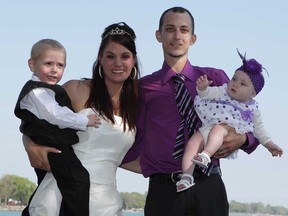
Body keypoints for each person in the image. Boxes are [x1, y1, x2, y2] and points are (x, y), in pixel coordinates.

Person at [122, 6, 260, 216]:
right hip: (164, 191)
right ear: (159, 35)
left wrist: (243, 140)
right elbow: (133, 138)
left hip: (209, 186)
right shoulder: (143, 87)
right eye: (170, 29)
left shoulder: (217, 79)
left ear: (193, 38)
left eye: (184, 30)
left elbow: (251, 122)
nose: (177, 36)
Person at [22, 22, 142, 216]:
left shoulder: (139, 102)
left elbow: (136, 159)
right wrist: (30, 146)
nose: (118, 63)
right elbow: (32, 120)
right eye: (110, 56)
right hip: (61, 195)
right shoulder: (76, 89)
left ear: (134, 60)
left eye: (125, 56)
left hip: (106, 203)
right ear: (100, 59)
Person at [176, 50, 283, 192]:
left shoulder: (252, 108)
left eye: (243, 84)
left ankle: (206, 155)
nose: (235, 84)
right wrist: (202, 88)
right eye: (234, 79)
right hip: (207, 128)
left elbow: (259, 129)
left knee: (218, 129)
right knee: (192, 144)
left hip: (226, 133)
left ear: (253, 93)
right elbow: (208, 95)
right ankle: (187, 176)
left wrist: (270, 145)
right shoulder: (223, 90)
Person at [14, 39, 100, 216]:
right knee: (78, 181)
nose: (55, 70)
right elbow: (55, 114)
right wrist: (84, 120)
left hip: (57, 146)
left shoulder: (47, 91)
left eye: (60, 65)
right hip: (55, 148)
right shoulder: (36, 92)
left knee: (58, 187)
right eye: (48, 64)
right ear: (32, 64)